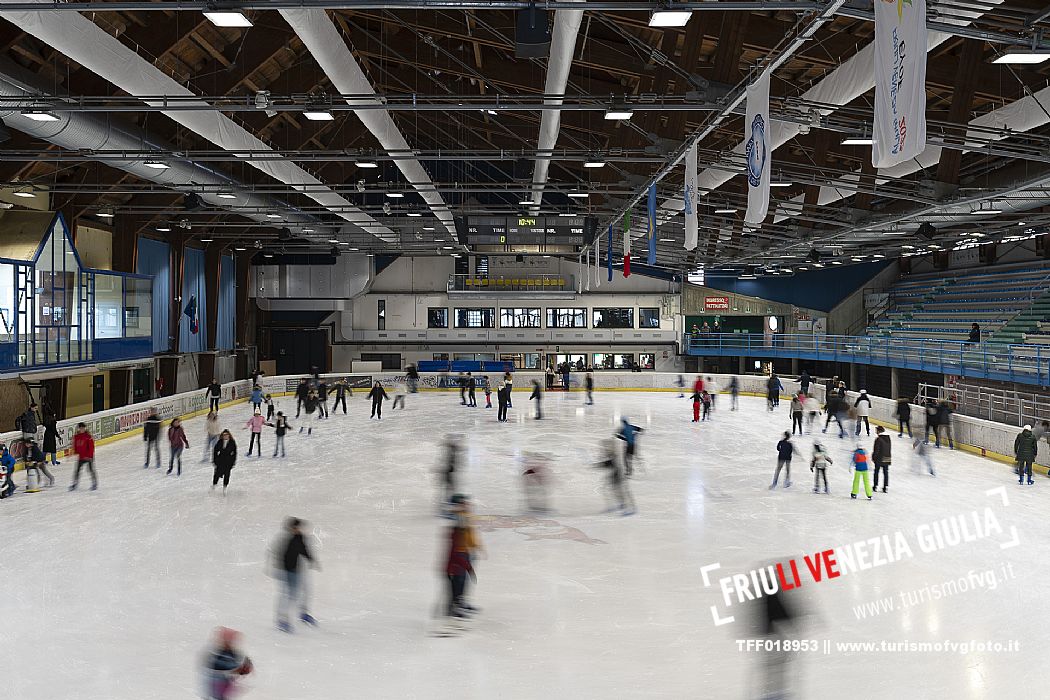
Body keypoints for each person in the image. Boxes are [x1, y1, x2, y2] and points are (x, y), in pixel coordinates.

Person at [275, 517, 319, 632]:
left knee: (305, 591)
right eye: (297, 527)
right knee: (288, 595)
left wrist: (311, 560)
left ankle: (303, 613)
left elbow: (303, 549)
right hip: (287, 571)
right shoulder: (286, 538)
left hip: (297, 570)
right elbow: (280, 555)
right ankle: (282, 619)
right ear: (292, 528)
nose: (299, 529)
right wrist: (285, 571)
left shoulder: (299, 537)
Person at [444, 495, 481, 618]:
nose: (468, 505)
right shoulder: (459, 518)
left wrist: (475, 546)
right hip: (459, 555)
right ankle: (455, 607)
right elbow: (460, 537)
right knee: (457, 582)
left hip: (466, 553)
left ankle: (460, 603)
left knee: (463, 582)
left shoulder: (465, 516)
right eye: (464, 503)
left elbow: (470, 534)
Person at [203, 627, 253, 700]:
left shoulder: (231, 653)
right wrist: (239, 669)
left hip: (223, 685)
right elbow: (219, 666)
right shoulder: (219, 654)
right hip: (218, 684)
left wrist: (243, 668)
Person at [597, 438, 635, 515]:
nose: (604, 448)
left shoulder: (614, 455)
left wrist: (598, 465)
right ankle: (622, 504)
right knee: (612, 490)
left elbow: (609, 464)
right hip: (614, 475)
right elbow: (607, 463)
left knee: (621, 491)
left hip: (618, 475)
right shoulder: (610, 455)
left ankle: (630, 508)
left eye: (606, 447)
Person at [69, 422, 97, 491]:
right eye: (80, 428)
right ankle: (75, 484)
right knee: (77, 471)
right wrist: (74, 452)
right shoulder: (76, 437)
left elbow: (91, 448)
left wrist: (89, 456)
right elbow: (75, 447)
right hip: (81, 457)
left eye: (83, 428)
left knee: (90, 470)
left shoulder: (88, 437)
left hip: (89, 457)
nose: (82, 429)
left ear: (85, 428)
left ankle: (94, 483)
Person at [212, 429, 237, 494]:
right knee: (217, 474)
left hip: (228, 461)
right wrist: (215, 460)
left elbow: (234, 453)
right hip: (220, 461)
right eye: (224, 435)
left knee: (227, 475)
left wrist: (233, 462)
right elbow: (215, 451)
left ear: (229, 435)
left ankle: (225, 487)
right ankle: (214, 485)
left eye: (226, 435)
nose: (225, 436)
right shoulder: (220, 442)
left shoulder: (232, 442)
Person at [871, 426, 892, 493]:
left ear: (879, 431)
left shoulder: (878, 439)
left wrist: (874, 457)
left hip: (879, 458)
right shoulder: (888, 439)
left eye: (876, 430)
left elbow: (876, 450)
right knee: (886, 472)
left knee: (876, 472)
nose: (875, 431)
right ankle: (885, 487)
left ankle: (875, 486)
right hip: (887, 457)